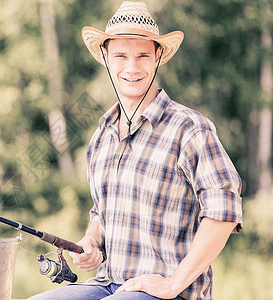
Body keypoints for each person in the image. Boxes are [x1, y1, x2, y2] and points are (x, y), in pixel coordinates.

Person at [28, 1, 243, 300]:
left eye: (143, 55)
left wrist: (172, 284)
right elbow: (100, 214)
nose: (132, 67)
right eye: (121, 55)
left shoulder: (190, 128)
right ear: (105, 57)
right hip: (108, 282)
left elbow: (224, 212)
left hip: (170, 292)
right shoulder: (101, 136)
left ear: (158, 57)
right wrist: (92, 243)